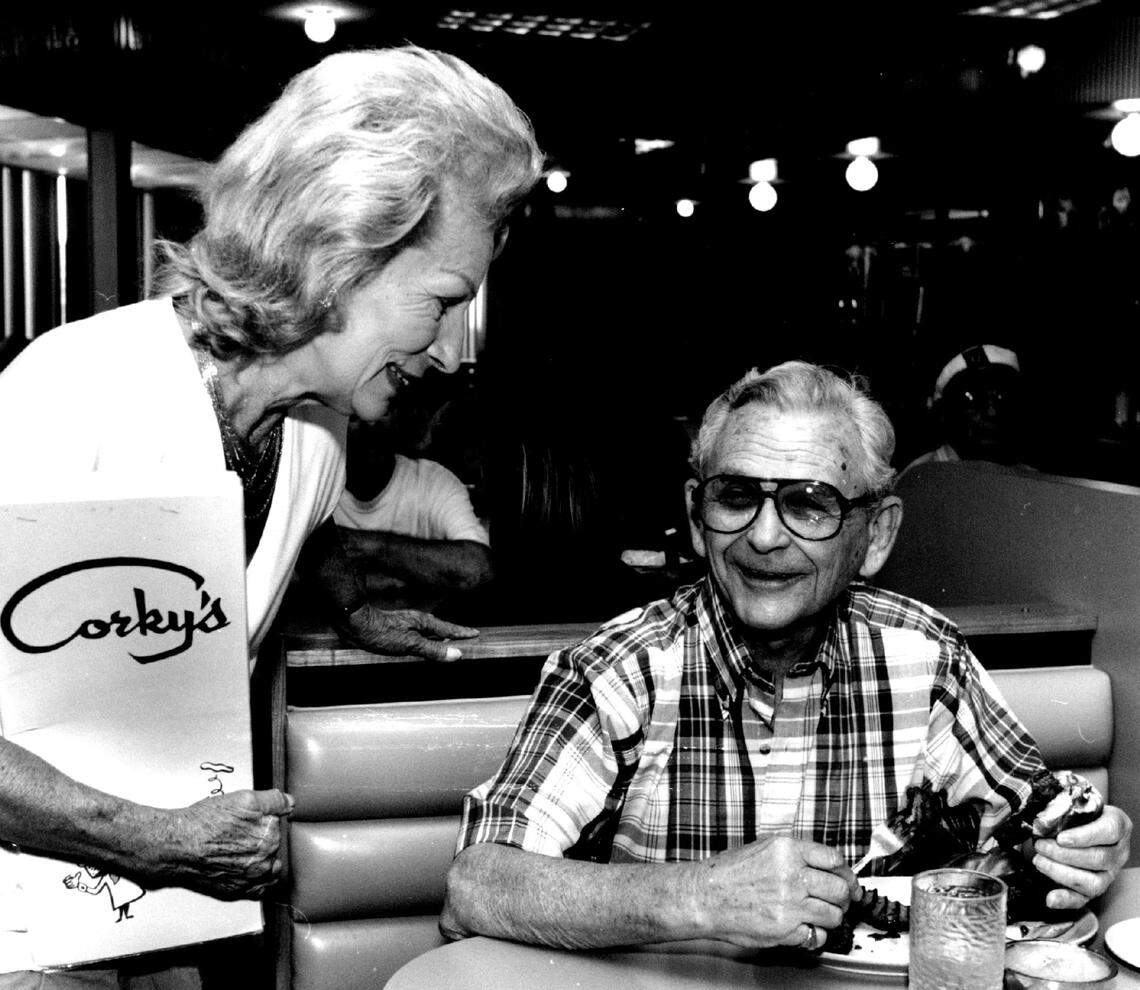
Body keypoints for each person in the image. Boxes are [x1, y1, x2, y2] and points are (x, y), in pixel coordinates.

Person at [0, 45, 541, 987]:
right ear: (338, 256)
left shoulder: (317, 439)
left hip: (146, 919)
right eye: (443, 301)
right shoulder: (70, 392)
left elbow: (202, 573)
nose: (451, 352)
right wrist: (146, 838)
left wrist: (341, 597)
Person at [441, 361, 1131, 953]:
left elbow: (1043, 827)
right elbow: (475, 888)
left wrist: (1085, 848)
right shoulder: (618, 670)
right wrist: (700, 896)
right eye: (736, 496)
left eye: (809, 504)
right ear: (694, 514)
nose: (764, 537)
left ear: (877, 534)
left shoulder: (926, 657)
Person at [331, 415, 493, 610]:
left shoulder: (433, 482)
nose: (370, 426)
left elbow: (476, 570)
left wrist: (365, 546)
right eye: (355, 417)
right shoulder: (312, 485)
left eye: (382, 414)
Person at [901, 343, 1031, 472]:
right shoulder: (921, 478)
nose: (992, 412)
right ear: (944, 412)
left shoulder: (1030, 481)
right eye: (972, 398)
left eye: (1001, 397)